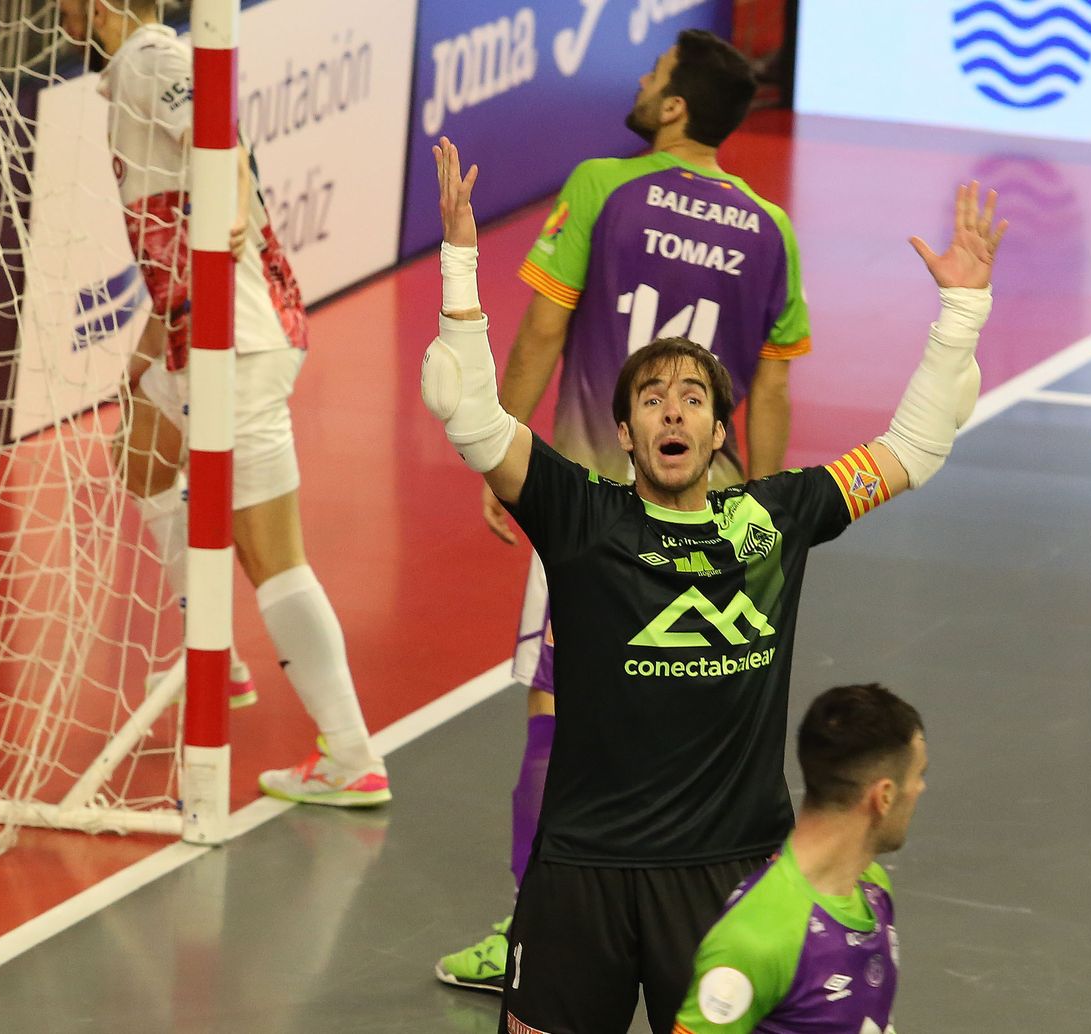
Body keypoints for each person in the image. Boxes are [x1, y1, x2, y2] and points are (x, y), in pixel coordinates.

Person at [421, 136, 1002, 1032]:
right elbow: (467, 409)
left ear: (719, 428)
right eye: (651, 399)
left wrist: (960, 313)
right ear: (624, 432)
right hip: (582, 872)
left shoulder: (774, 520)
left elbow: (914, 449)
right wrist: (461, 264)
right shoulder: (582, 517)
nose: (673, 410)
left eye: (692, 396)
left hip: (727, 874)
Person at [440, 29, 813, 991]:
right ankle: (717, 922)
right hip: (714, 517)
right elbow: (767, 394)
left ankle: (532, 925)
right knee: (692, 710)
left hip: (597, 507)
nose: (642, 88)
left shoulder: (606, 186)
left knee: (556, 710)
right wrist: (763, 519)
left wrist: (506, 456)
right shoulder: (771, 228)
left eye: (652, 79)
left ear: (678, 106)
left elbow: (546, 323)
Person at [87, 0, 388, 805]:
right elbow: (179, 215)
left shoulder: (154, 58)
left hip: (239, 341)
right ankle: (212, 658)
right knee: (142, 450)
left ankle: (351, 754)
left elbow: (219, 136)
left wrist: (228, 222)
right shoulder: (133, 72)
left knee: (271, 556)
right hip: (199, 333)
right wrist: (150, 347)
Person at [671, 682, 925, 1034]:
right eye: (917, 776)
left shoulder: (872, 888)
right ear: (883, 796)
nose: (920, 790)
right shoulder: (756, 937)